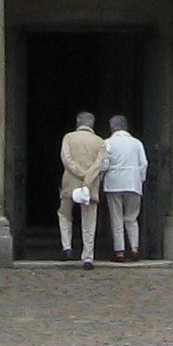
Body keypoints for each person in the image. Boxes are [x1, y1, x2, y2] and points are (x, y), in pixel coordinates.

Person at [56, 110, 108, 262]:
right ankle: (88, 257)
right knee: (89, 221)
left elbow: (66, 159)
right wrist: (87, 178)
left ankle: (67, 247)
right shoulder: (100, 142)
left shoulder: (69, 138)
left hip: (70, 182)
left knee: (64, 214)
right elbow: (99, 164)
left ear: (78, 123)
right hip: (90, 184)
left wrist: (78, 172)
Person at [99, 112, 149, 257]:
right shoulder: (137, 143)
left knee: (117, 219)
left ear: (112, 127)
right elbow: (144, 164)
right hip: (133, 183)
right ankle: (134, 248)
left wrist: (101, 178)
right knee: (132, 218)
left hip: (114, 183)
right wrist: (140, 179)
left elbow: (104, 163)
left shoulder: (108, 142)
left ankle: (119, 251)